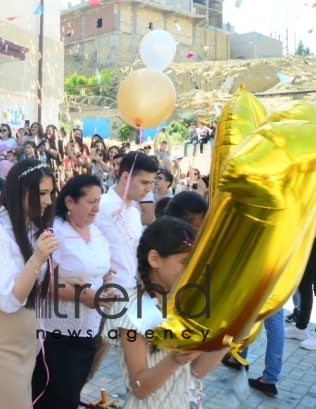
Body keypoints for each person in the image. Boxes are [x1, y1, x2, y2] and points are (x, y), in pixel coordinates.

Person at [104, 217, 229, 408]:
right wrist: (176, 359)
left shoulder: (183, 305)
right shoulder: (131, 309)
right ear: (154, 259)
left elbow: (196, 371)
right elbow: (139, 387)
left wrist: (230, 332)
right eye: (185, 262)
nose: (193, 271)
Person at [0, 160, 58, 409]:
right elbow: (9, 300)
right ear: (21, 190)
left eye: (51, 193)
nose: (48, 201)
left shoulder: (32, 228)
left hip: (25, 333)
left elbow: (38, 285)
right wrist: (38, 258)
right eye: (42, 193)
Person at [32, 174, 112, 409]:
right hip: (57, 332)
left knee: (71, 393)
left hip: (88, 328)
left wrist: (105, 277)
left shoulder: (95, 232)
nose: (97, 208)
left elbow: (98, 269)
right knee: (58, 398)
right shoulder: (55, 232)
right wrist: (85, 296)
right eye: (91, 202)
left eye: (99, 201)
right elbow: (42, 283)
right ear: (69, 202)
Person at [87, 152, 158, 380]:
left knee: (133, 362)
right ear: (126, 176)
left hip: (130, 294)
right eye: (144, 182)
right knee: (90, 357)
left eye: (152, 183)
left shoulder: (135, 213)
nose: (149, 189)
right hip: (103, 295)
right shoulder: (102, 207)